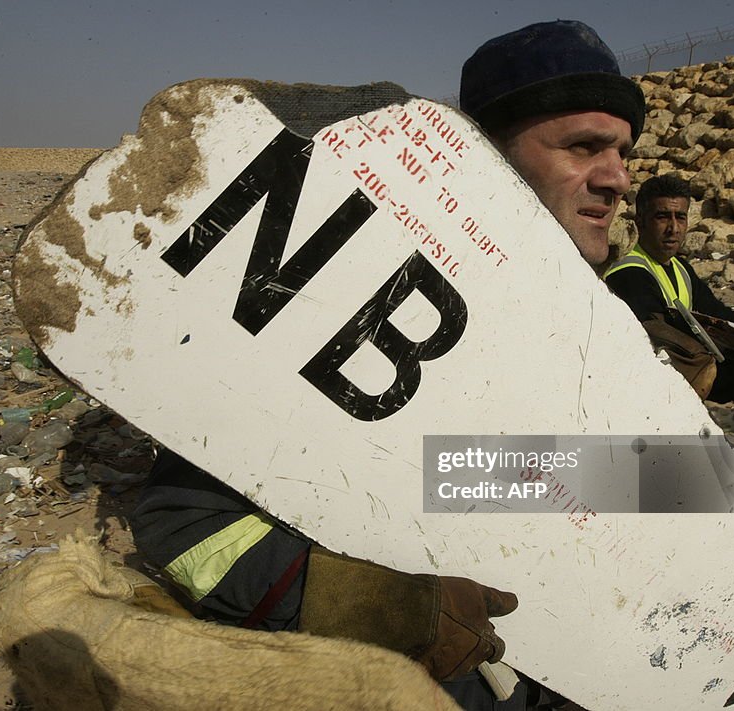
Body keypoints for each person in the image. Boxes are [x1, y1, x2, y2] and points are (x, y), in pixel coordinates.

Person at [131, 20, 644, 711]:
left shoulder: (596, 324)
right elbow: (186, 526)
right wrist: (379, 602)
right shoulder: (343, 309)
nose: (618, 178)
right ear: (484, 157)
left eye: (623, 151)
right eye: (585, 147)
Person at [604, 174, 734, 403]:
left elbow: (721, 316)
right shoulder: (629, 273)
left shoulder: (680, 268)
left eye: (680, 217)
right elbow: (668, 352)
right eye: (662, 217)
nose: (673, 228)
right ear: (641, 221)